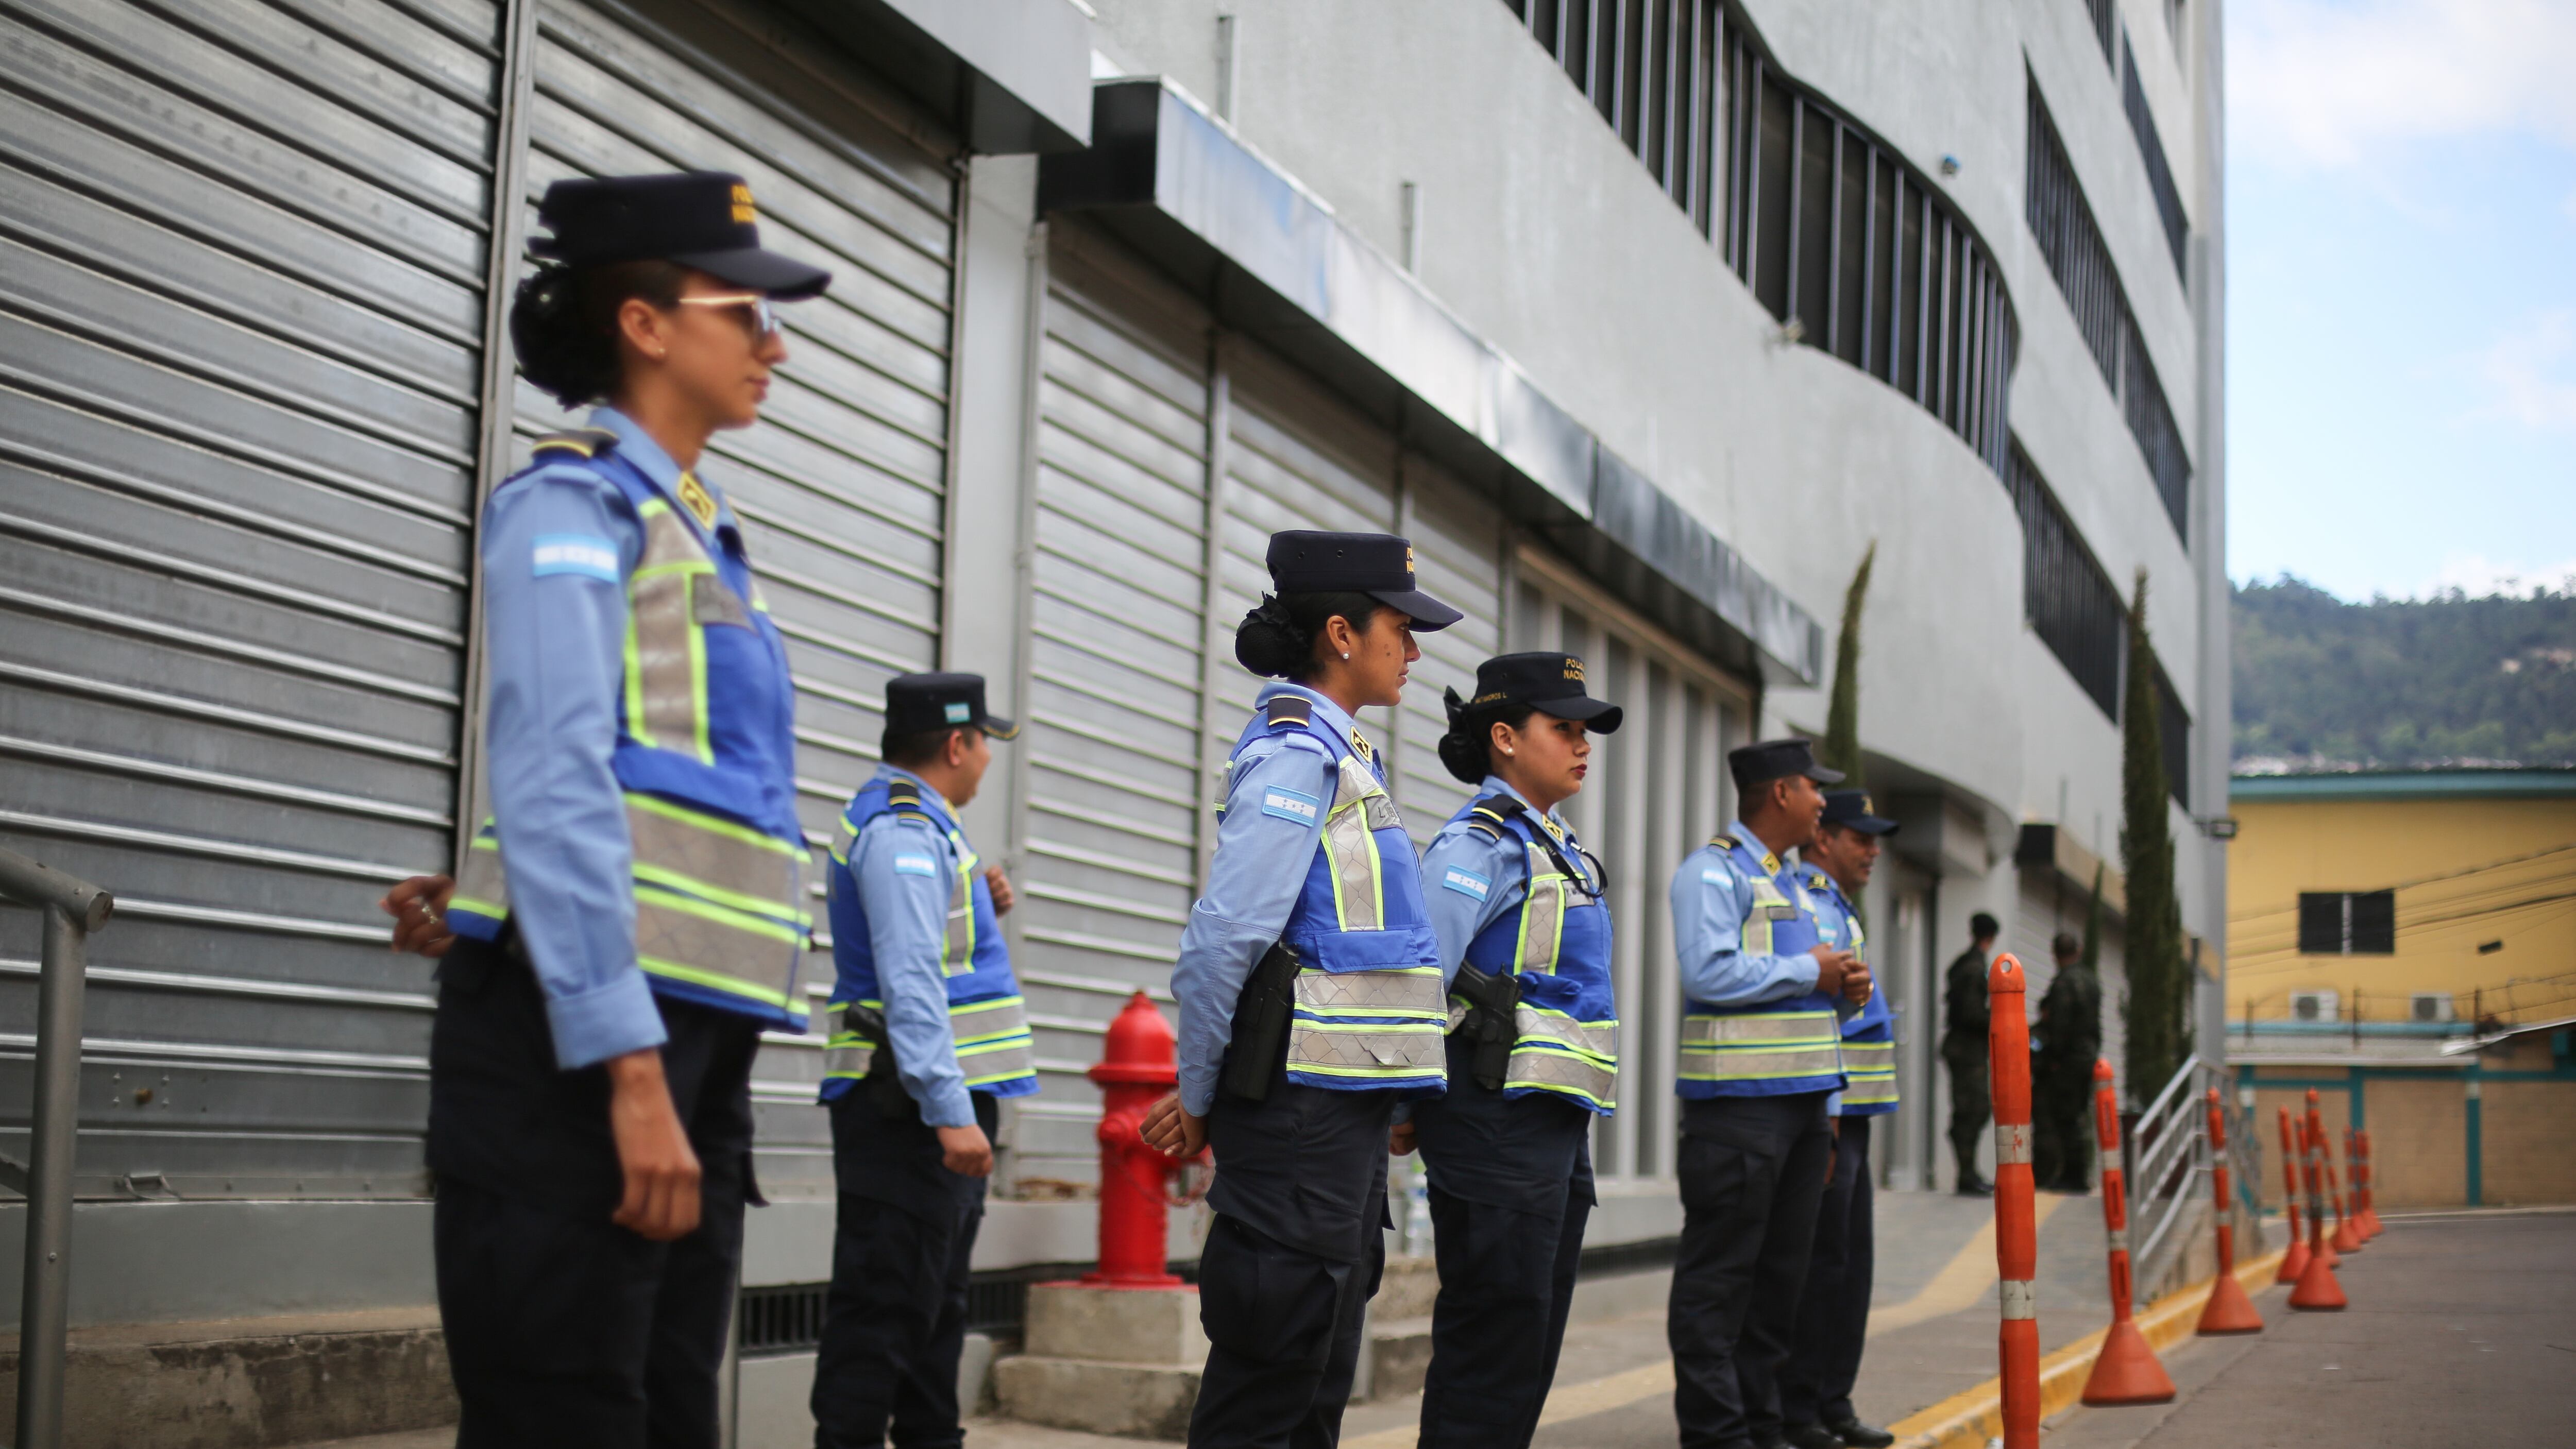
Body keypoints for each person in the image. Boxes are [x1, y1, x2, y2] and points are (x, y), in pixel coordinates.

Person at [378, 171, 831, 1447]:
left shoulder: (693, 528)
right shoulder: (570, 507)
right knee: (564, 1406)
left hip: (689, 1037)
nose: (773, 343)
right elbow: (550, 767)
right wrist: (627, 1068)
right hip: (588, 1046)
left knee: (669, 1406)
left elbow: (634, 790)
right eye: (744, 313)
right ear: (643, 324)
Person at [1138, 530, 1462, 1448]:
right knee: (1268, 1385)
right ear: (1341, 633)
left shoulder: (1343, 757)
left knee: (1314, 1381)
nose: (1416, 647)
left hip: (1339, 1126)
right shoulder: (1296, 756)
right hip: (1296, 1127)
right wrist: (1197, 1093)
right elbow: (1222, 943)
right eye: (1402, 626)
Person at [1399, 654, 1624, 1449]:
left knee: (1524, 1352)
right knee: (1490, 1357)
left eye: (1585, 730)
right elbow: (1417, 980)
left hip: (1549, 1133)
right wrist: (1403, 1102)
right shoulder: (1478, 846)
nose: (1582, 743)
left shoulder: (1551, 845)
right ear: (1504, 737)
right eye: (1562, 728)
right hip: (1493, 1131)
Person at [809, 673, 1038, 1449]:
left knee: (931, 1319)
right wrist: (948, 1111)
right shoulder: (906, 831)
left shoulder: (930, 831)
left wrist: (979, 892)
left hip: (924, 1111)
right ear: (954, 744)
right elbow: (909, 981)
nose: (985, 762)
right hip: (907, 1115)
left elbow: (930, 943)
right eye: (982, 745)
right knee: (882, 1322)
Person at [1665, 740, 1874, 1449]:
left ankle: (1761, 1426)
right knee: (1720, 1285)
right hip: (1737, 1112)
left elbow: (1809, 995)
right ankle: (1717, 1433)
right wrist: (1809, 971)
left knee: (1779, 1284)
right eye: (1816, 789)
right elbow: (1710, 975)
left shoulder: (1796, 886)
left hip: (1805, 1109)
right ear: (1782, 792)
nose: (1824, 802)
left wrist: (1843, 991)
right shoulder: (1711, 873)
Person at [1778, 791, 1902, 1449]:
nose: (1873, 849)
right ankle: (1800, 1406)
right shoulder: (1806, 897)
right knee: (1822, 1264)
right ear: (1823, 838)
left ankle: (1831, 1398)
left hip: (1853, 1111)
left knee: (1849, 1264)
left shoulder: (1837, 902)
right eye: (1861, 836)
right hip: (1828, 1107)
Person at [2030, 931, 2102, 1194]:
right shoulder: (2090, 981)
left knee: (2066, 1118)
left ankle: (2074, 1175)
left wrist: (2054, 1060)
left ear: (2056, 955)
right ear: (2079, 950)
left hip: (2068, 1061)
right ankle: (2077, 1173)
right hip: (2086, 1058)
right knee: (2078, 1115)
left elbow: (2059, 1026)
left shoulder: (2063, 984)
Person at [1940, 913, 2001, 1197]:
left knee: (1972, 1109)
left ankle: (1969, 1172)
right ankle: (1966, 1174)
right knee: (1973, 1110)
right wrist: (2000, 1018)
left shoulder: (1964, 963)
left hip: (1964, 1048)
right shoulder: (1975, 968)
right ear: (1991, 937)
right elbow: (1971, 1013)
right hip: (1968, 1050)